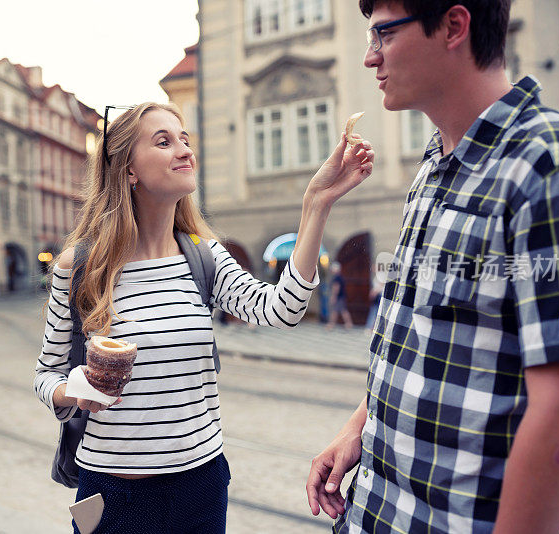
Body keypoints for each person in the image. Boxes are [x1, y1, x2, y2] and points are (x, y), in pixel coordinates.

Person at [306, 1, 559, 533]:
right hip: (378, 512)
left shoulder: (555, 163)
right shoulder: (435, 162)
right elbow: (423, 340)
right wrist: (361, 425)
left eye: (384, 35)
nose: (370, 58)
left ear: (454, 26)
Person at [34, 102, 374, 533]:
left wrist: (317, 202)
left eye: (185, 140)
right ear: (129, 170)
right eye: (164, 141)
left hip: (200, 485)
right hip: (111, 492)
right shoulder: (80, 266)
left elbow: (282, 309)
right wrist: (73, 391)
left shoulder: (204, 256)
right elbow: (46, 374)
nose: (184, 150)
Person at [326, 261, 353, 330]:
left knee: (337, 311)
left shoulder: (336, 278)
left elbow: (336, 287)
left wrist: (333, 296)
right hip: (341, 296)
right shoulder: (339, 277)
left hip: (339, 297)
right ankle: (348, 324)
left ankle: (331, 325)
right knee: (341, 310)